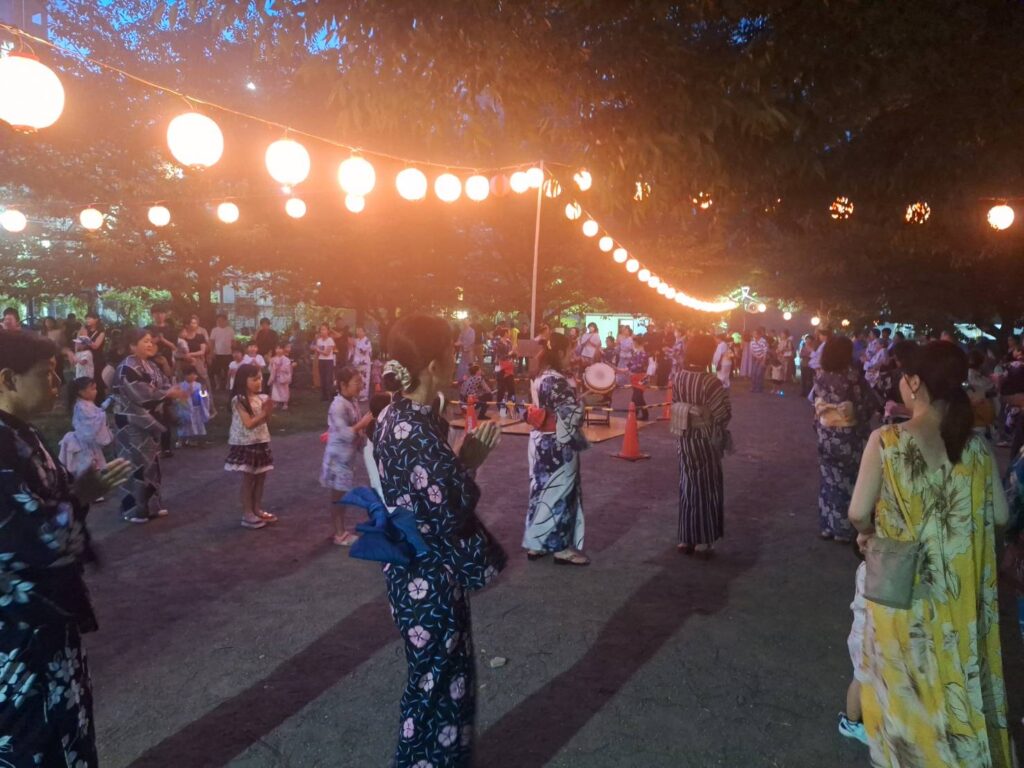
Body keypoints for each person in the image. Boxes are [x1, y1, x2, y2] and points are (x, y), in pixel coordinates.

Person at [848, 341, 1013, 767]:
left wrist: (868, 535)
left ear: (915, 382)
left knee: (905, 691)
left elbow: (858, 512)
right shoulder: (975, 448)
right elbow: (1000, 515)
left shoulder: (886, 441)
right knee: (955, 686)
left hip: (903, 595)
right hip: (958, 597)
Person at [374, 315, 506, 767]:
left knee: (433, 681)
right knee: (439, 688)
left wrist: (455, 456)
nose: (459, 358)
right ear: (433, 364)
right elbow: (449, 507)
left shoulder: (396, 413)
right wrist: (469, 460)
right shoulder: (416, 430)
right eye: (453, 351)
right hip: (430, 577)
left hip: (408, 567)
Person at [0, 330, 132, 767]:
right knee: (33, 738)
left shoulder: (21, 434)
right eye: (46, 373)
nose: (57, 383)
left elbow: (50, 506)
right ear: (8, 379)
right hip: (17, 629)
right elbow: (26, 535)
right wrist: (79, 496)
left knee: (65, 723)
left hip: (44, 620)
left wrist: (76, 494)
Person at [524, 332, 591, 565]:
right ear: (560, 352)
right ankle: (560, 548)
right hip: (557, 442)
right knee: (561, 491)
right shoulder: (557, 381)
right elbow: (570, 415)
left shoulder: (539, 375)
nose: (571, 356)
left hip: (540, 440)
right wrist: (583, 403)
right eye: (570, 351)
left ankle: (536, 544)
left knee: (540, 490)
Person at [111, 329, 188, 523]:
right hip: (130, 421)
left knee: (151, 464)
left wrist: (171, 390)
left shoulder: (151, 365)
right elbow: (142, 394)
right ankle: (134, 510)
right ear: (132, 346)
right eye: (144, 341)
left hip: (148, 421)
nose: (150, 344)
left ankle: (152, 505)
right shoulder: (126, 367)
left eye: (150, 341)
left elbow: (163, 385)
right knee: (134, 464)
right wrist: (168, 393)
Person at [672, 334, 732, 556]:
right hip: (705, 439)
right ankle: (703, 540)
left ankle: (686, 538)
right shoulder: (710, 381)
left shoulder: (679, 377)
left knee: (687, 485)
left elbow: (675, 403)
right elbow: (723, 413)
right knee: (707, 487)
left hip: (684, 436)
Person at [811, 335, 875, 542]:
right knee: (848, 479)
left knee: (828, 479)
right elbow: (867, 404)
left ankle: (827, 525)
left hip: (826, 433)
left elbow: (815, 404)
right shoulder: (853, 377)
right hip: (848, 435)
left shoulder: (820, 376)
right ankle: (844, 528)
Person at [321, 366, 372, 546]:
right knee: (338, 498)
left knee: (341, 496)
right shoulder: (338, 406)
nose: (360, 386)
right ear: (343, 384)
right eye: (356, 382)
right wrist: (363, 423)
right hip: (337, 459)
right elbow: (345, 433)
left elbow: (356, 429)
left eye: (361, 382)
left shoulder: (351, 401)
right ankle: (339, 533)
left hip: (346, 458)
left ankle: (340, 530)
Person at [225, 363, 277, 530]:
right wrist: (264, 412)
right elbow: (248, 423)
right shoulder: (239, 399)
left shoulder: (261, 398)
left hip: (261, 441)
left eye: (260, 378)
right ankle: (247, 513)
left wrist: (268, 410)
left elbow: (266, 420)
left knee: (261, 477)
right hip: (246, 443)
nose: (258, 382)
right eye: (254, 379)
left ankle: (257, 509)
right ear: (243, 380)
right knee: (249, 479)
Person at [837, 542, 870, 745]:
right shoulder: (872, 571)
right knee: (860, 679)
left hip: (862, 635)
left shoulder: (865, 566)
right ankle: (851, 723)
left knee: (864, 678)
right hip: (865, 638)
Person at [58, 376, 113, 479]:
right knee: (87, 465)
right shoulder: (81, 406)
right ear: (81, 392)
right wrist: (102, 416)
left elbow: (98, 411)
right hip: (83, 443)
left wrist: (109, 401)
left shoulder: (86, 404)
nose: (96, 391)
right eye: (92, 389)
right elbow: (91, 423)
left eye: (95, 388)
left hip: (88, 442)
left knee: (95, 462)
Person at [176, 366, 211, 448]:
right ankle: (181, 440)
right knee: (186, 425)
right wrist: (188, 393)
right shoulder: (181, 386)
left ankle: (196, 440)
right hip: (186, 409)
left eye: (194, 374)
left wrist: (204, 393)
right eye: (189, 374)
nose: (192, 376)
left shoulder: (199, 385)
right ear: (185, 376)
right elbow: (179, 398)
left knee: (198, 424)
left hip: (197, 408)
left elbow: (204, 397)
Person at [83, 312, 107, 400]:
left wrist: (85, 338)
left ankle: (99, 400)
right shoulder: (85, 330)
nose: (87, 320)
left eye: (89, 318)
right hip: (86, 358)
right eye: (86, 318)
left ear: (96, 319)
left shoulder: (101, 332)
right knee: (87, 379)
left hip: (97, 359)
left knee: (97, 379)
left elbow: (96, 346)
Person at [179, 315, 209, 384]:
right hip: (185, 362)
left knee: (203, 381)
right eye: (192, 323)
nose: (195, 325)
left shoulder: (200, 336)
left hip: (198, 362)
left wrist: (190, 354)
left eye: (195, 323)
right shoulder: (182, 338)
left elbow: (202, 351)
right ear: (187, 325)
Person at [208, 313, 235, 390]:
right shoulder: (214, 330)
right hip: (217, 353)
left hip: (228, 353)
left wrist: (234, 352)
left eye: (222, 320)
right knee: (216, 370)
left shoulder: (230, 330)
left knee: (228, 370)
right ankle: (218, 384)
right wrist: (211, 352)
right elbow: (212, 342)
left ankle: (228, 384)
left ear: (226, 321)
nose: (220, 322)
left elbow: (233, 341)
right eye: (218, 320)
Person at [493, 327, 516, 410]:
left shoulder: (509, 342)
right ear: (505, 333)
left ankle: (511, 404)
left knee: (511, 388)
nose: (509, 334)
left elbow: (512, 354)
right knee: (501, 388)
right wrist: (510, 353)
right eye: (508, 332)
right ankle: (500, 405)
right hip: (501, 366)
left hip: (509, 366)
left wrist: (513, 355)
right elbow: (499, 355)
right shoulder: (498, 343)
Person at [315, 323, 337, 402]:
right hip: (321, 360)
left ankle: (330, 396)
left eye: (324, 329)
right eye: (321, 329)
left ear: (328, 331)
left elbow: (327, 353)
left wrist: (318, 350)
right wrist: (318, 351)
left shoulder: (330, 340)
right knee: (322, 378)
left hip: (328, 361)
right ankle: (324, 396)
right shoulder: (319, 340)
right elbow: (318, 352)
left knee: (329, 379)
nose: (322, 331)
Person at [268, 344, 294, 410]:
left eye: (280, 348)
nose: (278, 350)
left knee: (284, 390)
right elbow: (270, 368)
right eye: (277, 348)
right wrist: (273, 366)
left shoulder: (286, 359)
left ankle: (285, 403)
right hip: (275, 376)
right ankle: (276, 402)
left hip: (283, 376)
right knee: (275, 390)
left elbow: (288, 368)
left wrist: (279, 367)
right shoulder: (273, 359)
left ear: (283, 349)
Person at [352, 325, 373, 403]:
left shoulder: (367, 341)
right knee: (357, 379)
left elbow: (363, 351)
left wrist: (356, 344)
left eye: (360, 331)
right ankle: (357, 394)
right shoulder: (356, 340)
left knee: (364, 379)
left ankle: (364, 396)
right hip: (357, 362)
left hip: (364, 363)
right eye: (357, 331)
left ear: (364, 332)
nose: (358, 332)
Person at [749, 327, 769, 393]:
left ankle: (759, 387)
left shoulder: (763, 341)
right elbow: (752, 351)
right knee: (753, 373)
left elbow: (765, 351)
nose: (754, 335)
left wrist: (763, 360)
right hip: (756, 358)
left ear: (759, 335)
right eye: (753, 333)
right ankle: (753, 387)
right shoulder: (752, 341)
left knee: (759, 373)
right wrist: (757, 357)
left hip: (762, 358)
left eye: (755, 334)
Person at [456, 317, 476, 382]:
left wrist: (462, 343)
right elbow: (459, 338)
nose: (466, 323)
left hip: (469, 350)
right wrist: (458, 342)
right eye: (465, 321)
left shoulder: (472, 331)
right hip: (463, 351)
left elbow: (471, 341)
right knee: (462, 364)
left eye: (467, 321)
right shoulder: (462, 330)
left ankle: (471, 379)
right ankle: (462, 379)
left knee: (469, 364)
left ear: (470, 322)